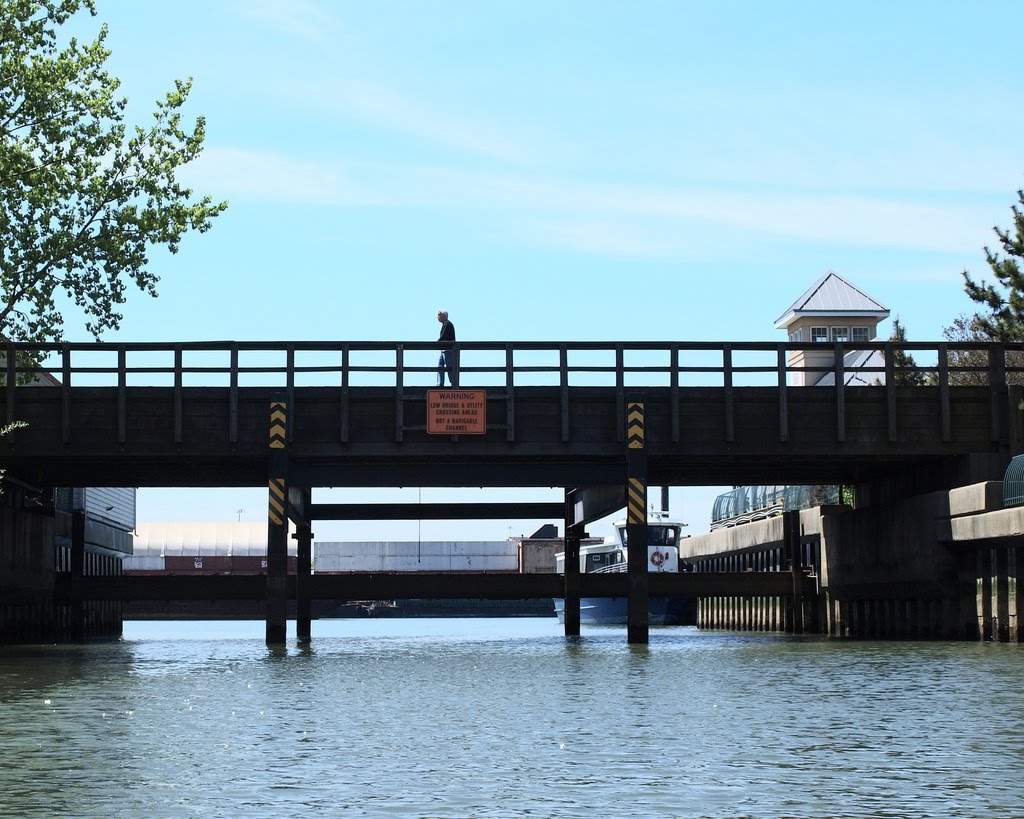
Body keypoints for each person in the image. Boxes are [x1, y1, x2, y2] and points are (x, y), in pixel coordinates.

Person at [436, 309, 458, 387]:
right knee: (440, 366)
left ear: (444, 316)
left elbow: (443, 337)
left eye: (439, 315)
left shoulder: (447, 324)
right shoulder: (445, 324)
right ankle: (439, 384)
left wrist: (435, 344)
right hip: (444, 349)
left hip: (448, 349)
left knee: (450, 367)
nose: (437, 317)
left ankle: (454, 383)